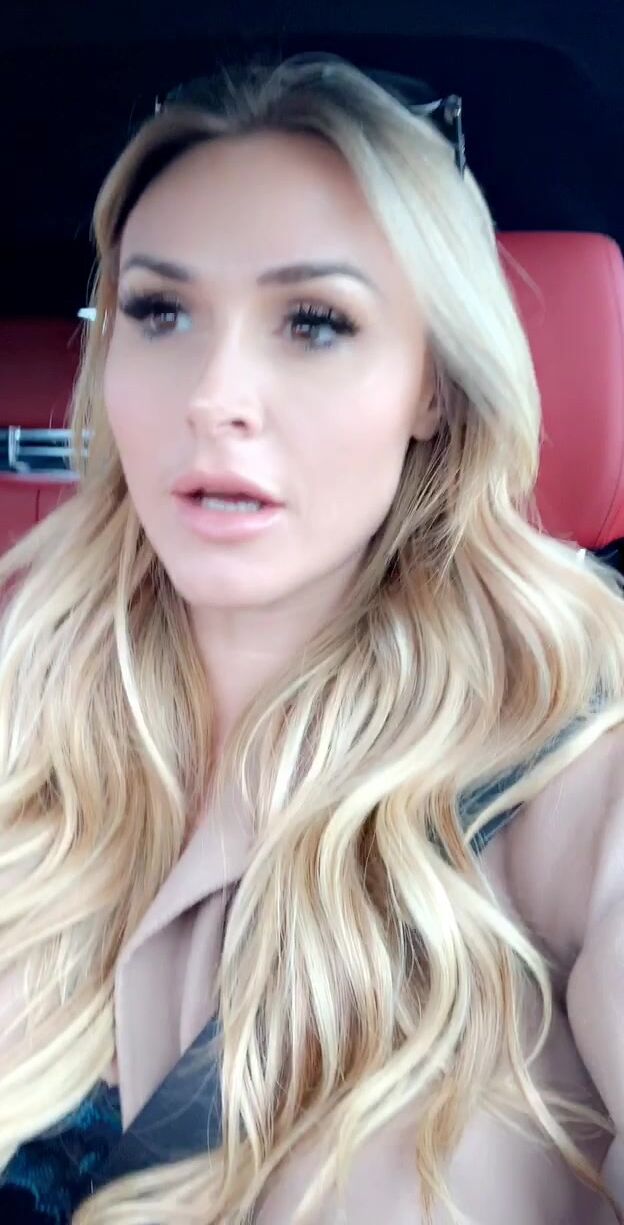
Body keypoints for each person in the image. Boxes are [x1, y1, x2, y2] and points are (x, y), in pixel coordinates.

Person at [0, 51, 623, 1225]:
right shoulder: (24, 693)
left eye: (315, 322)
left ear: (433, 386)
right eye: (161, 311)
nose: (213, 394)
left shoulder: (575, 761)